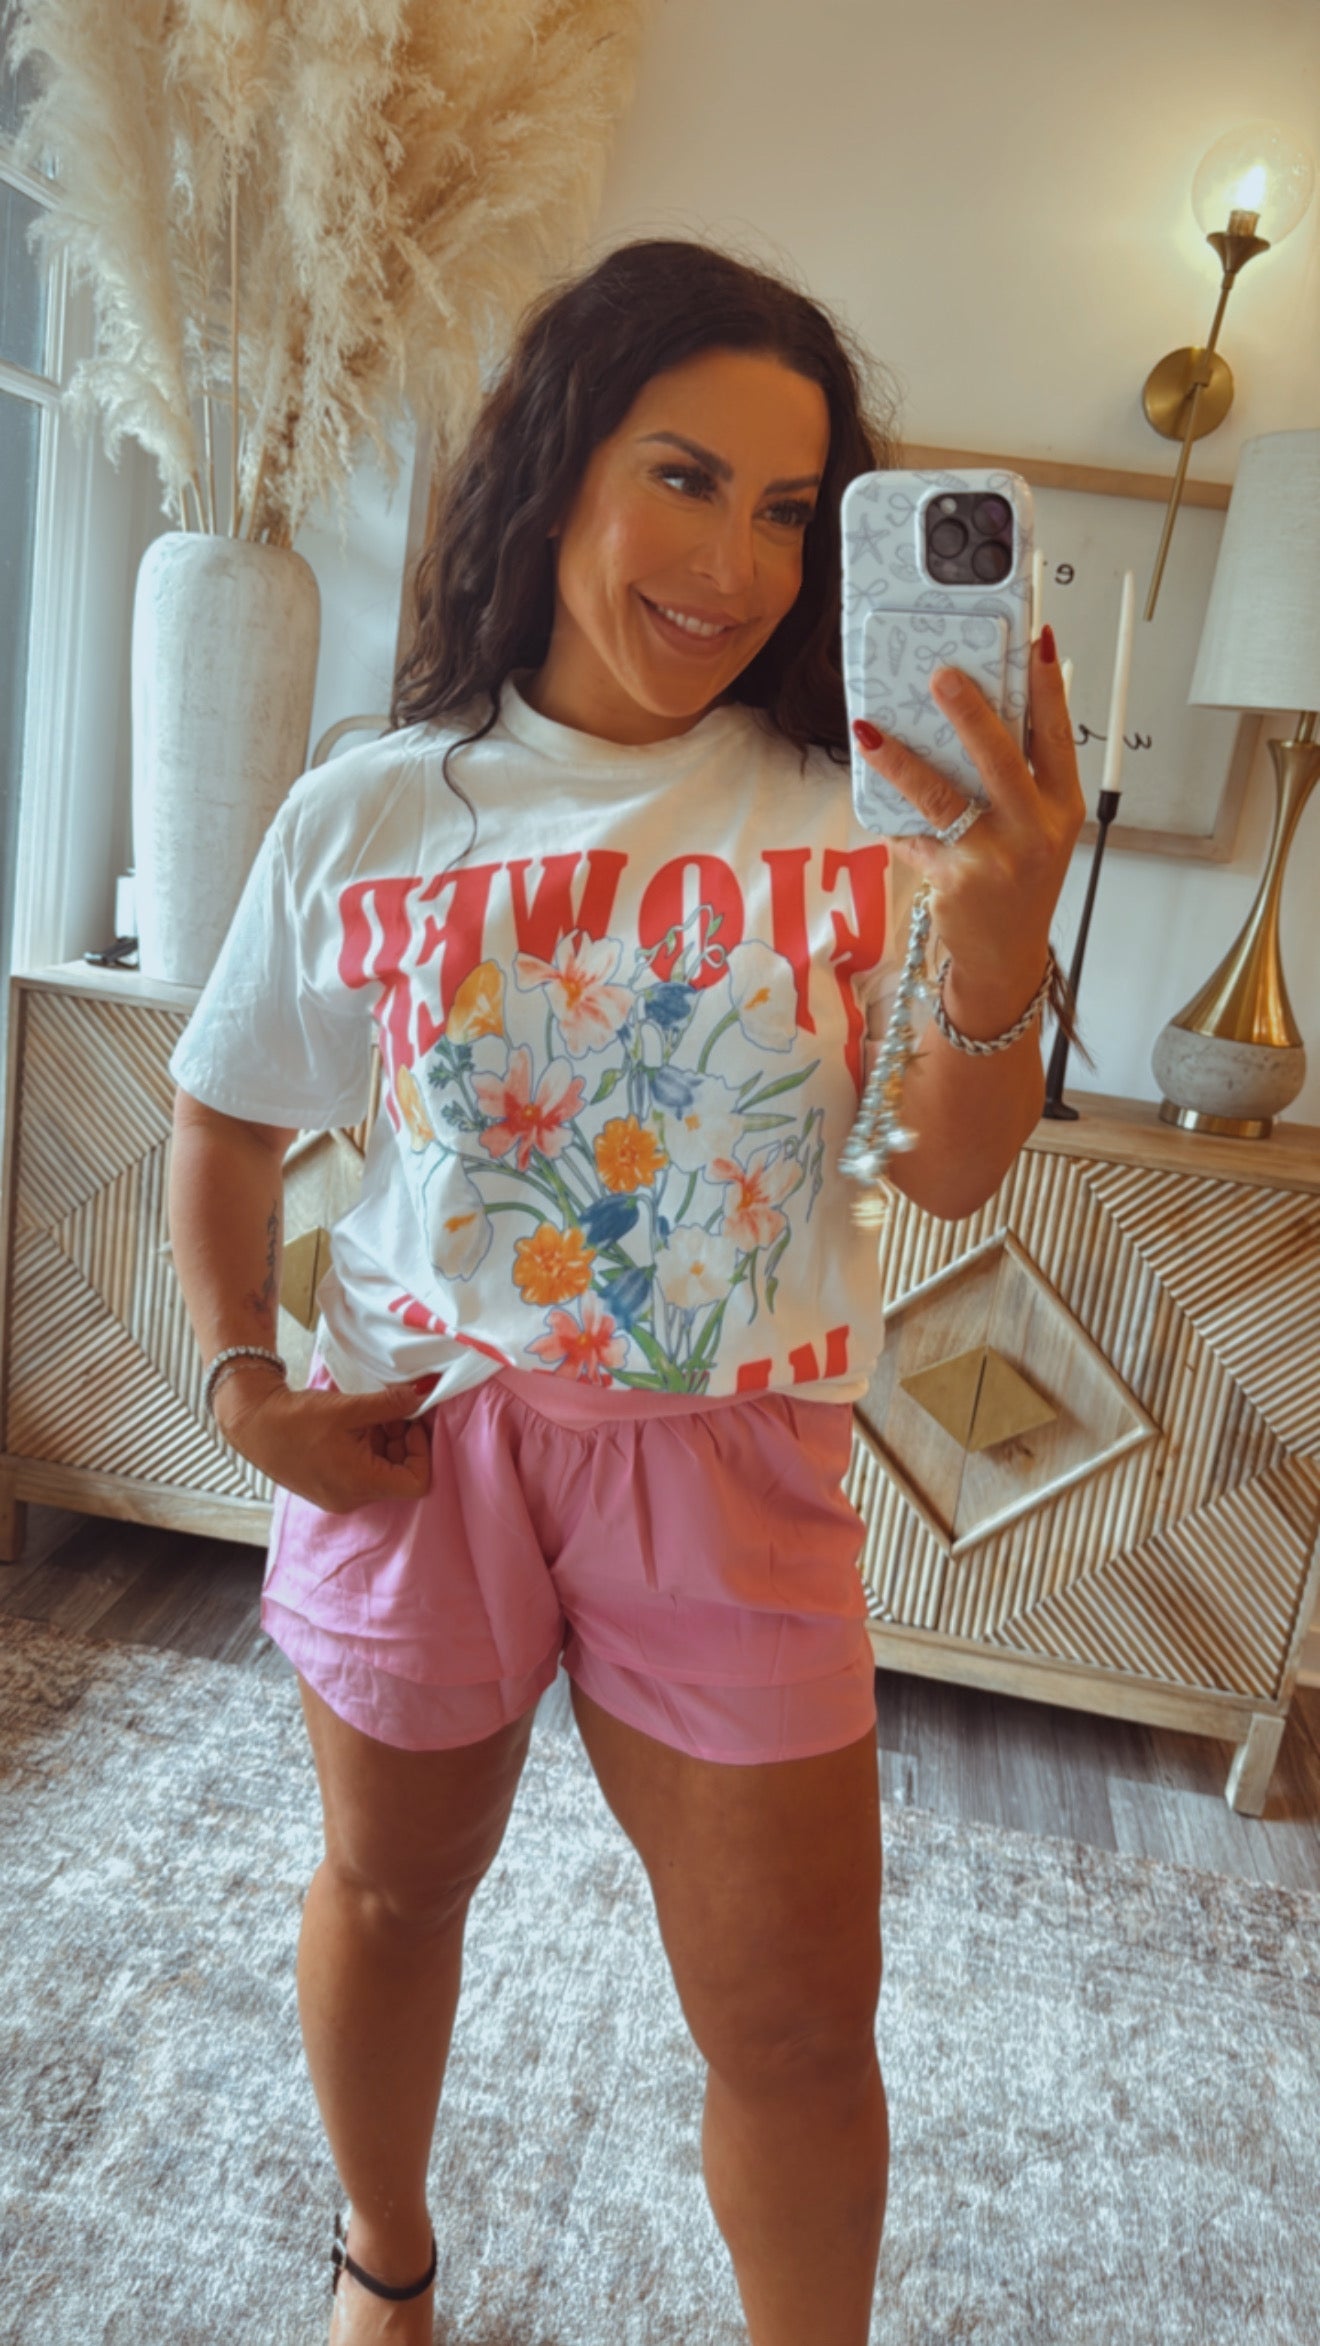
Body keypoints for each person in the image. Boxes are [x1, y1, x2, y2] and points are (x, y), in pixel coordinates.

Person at [167, 236, 1084, 2346]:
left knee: (797, 2024)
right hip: (421, 1442)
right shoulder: (371, 808)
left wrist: (999, 942)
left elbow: (948, 1166)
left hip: (727, 1461)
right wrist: (237, 1381)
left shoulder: (870, 821)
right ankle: (384, 2260)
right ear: (560, 465)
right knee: (392, 1886)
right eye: (685, 479)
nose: (736, 565)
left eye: (790, 510)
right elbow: (226, 1113)